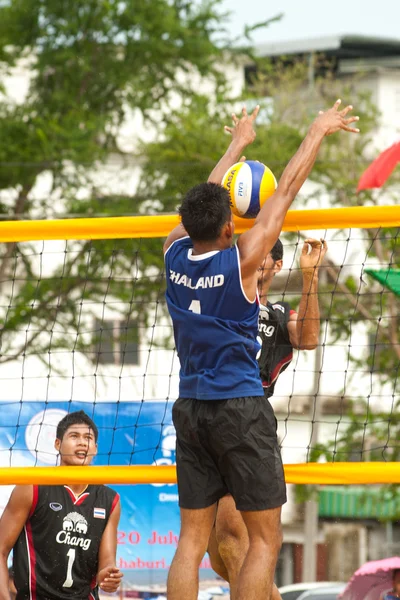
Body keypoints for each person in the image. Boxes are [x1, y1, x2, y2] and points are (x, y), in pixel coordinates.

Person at [164, 100, 359, 600]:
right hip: (241, 410)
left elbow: (200, 206)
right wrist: (316, 131)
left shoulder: (172, 249)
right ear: (229, 226)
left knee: (190, 542)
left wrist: (236, 147)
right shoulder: (246, 261)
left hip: (190, 410)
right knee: (264, 543)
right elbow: (287, 189)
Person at [207, 236, 327, 599]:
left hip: (250, 419)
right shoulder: (222, 296)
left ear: (276, 266)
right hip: (207, 415)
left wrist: (310, 278)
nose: (255, 262)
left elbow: (307, 339)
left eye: (263, 257)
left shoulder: (277, 314)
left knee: (234, 542)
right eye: (249, 255)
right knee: (219, 557)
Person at [0, 410, 123, 600]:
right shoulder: (31, 487)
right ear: (58, 444)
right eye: (74, 436)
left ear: (95, 448)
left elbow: (107, 562)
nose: (82, 442)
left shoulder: (110, 499)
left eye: (88, 438)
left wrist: (108, 575)